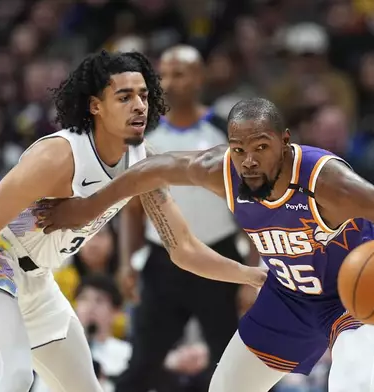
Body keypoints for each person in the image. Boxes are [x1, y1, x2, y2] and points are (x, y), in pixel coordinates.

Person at [35, 97, 374, 392]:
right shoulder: (221, 170)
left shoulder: (332, 184)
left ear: (285, 143)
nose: (248, 159)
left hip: (358, 297)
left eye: (260, 147)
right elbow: (145, 173)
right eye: (238, 147)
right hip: (290, 297)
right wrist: (79, 210)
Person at [0, 51, 265, 392]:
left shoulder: (143, 161)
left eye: (143, 94)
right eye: (124, 97)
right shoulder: (58, 156)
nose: (139, 105)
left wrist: (253, 275)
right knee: (15, 376)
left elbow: (184, 248)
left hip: (36, 277)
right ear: (95, 105)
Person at [116, 45, 258, 392]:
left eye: (178, 73)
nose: (167, 82)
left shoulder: (225, 132)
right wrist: (126, 263)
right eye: (162, 74)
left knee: (231, 364)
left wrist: (252, 271)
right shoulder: (143, 136)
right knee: (143, 363)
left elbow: (252, 206)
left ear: (199, 78)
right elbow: (134, 208)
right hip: (163, 260)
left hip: (220, 257)